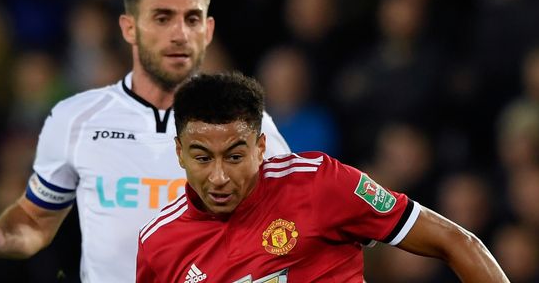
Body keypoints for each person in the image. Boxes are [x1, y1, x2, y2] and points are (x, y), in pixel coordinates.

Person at [0, 0, 291, 283]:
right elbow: (36, 220)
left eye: (191, 19)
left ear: (207, 30)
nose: (178, 34)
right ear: (130, 28)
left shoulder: (249, 124)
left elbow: (292, 229)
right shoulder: (76, 118)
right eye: (162, 18)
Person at [137, 72, 509, 282]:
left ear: (261, 148)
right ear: (180, 153)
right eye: (202, 157)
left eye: (235, 156)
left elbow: (459, 243)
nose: (218, 177)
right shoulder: (159, 244)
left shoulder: (320, 184)